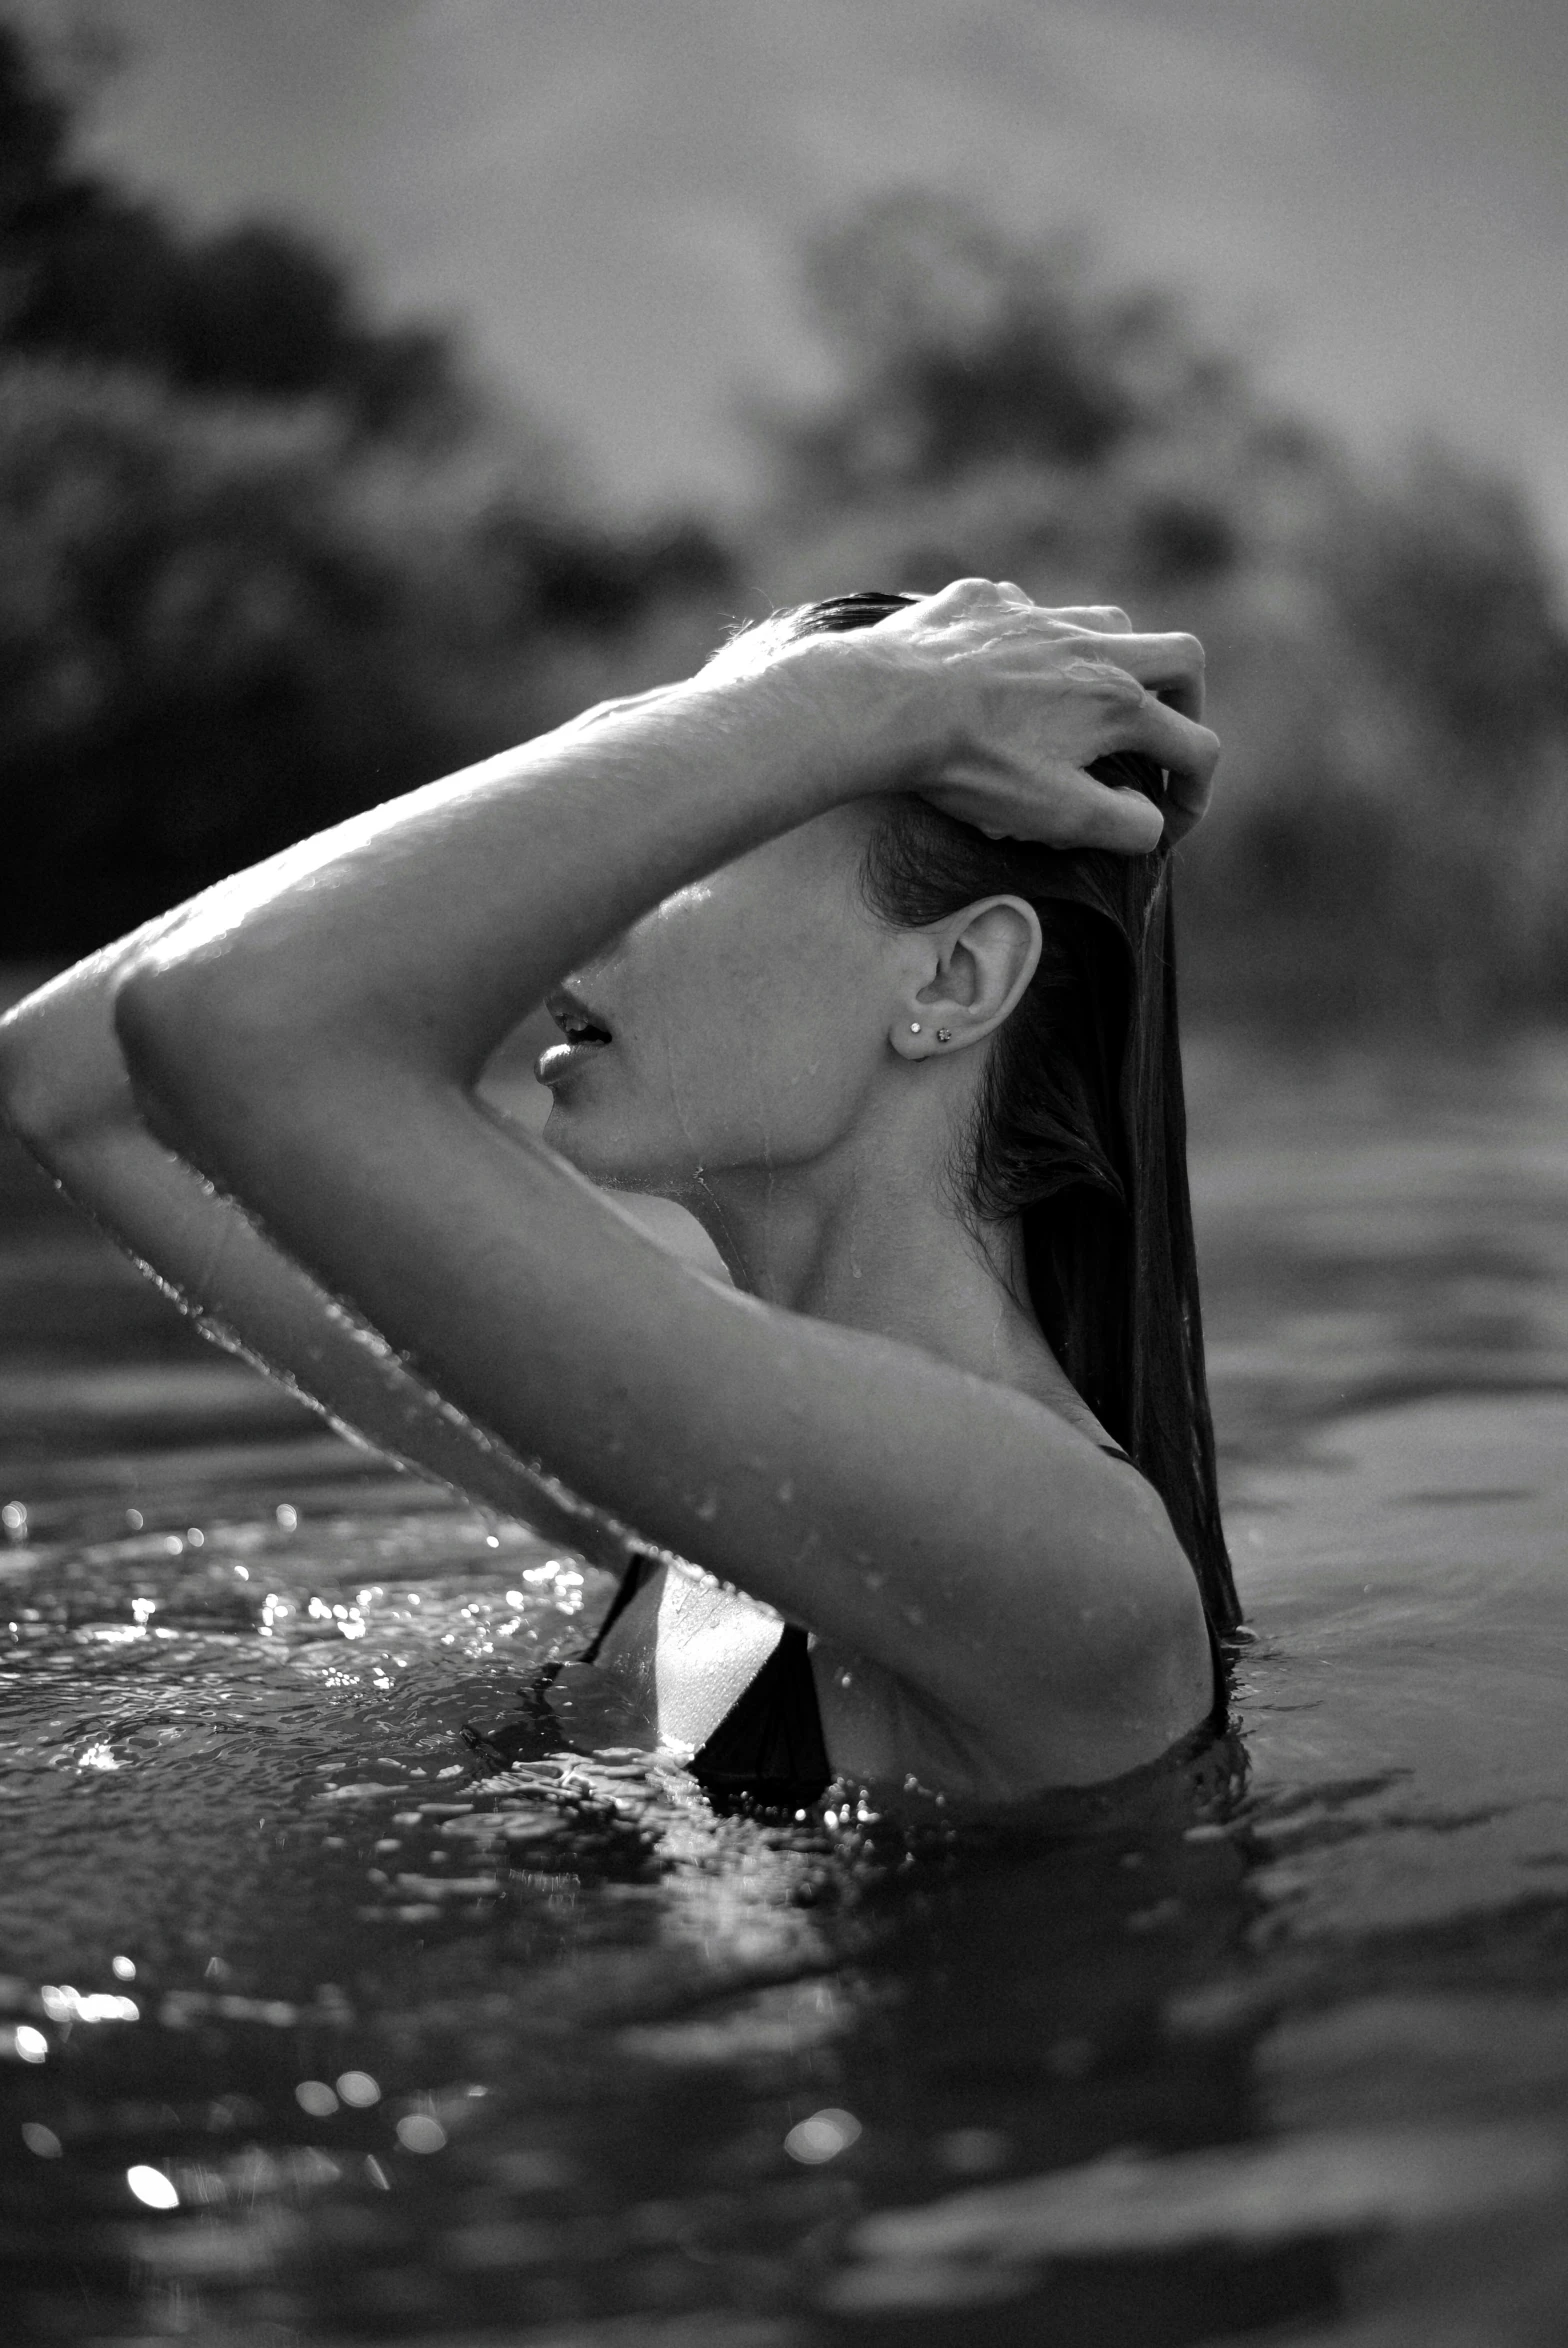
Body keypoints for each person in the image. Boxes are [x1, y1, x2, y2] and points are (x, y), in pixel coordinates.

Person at [0, 578, 1234, 1807]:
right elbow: (70, 1076)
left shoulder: (1058, 1544)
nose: (569, 933)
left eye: (704, 845)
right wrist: (663, 725)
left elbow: (229, 1017)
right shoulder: (683, 1476)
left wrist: (845, 699)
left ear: (956, 976)